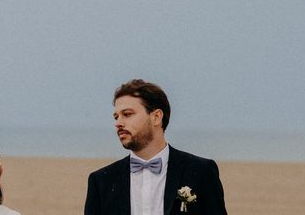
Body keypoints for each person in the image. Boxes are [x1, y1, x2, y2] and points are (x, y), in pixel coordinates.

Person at [84, 79, 227, 215]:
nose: (118, 123)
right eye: (116, 117)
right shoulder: (101, 181)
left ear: (156, 117)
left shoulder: (201, 171)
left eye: (127, 114)